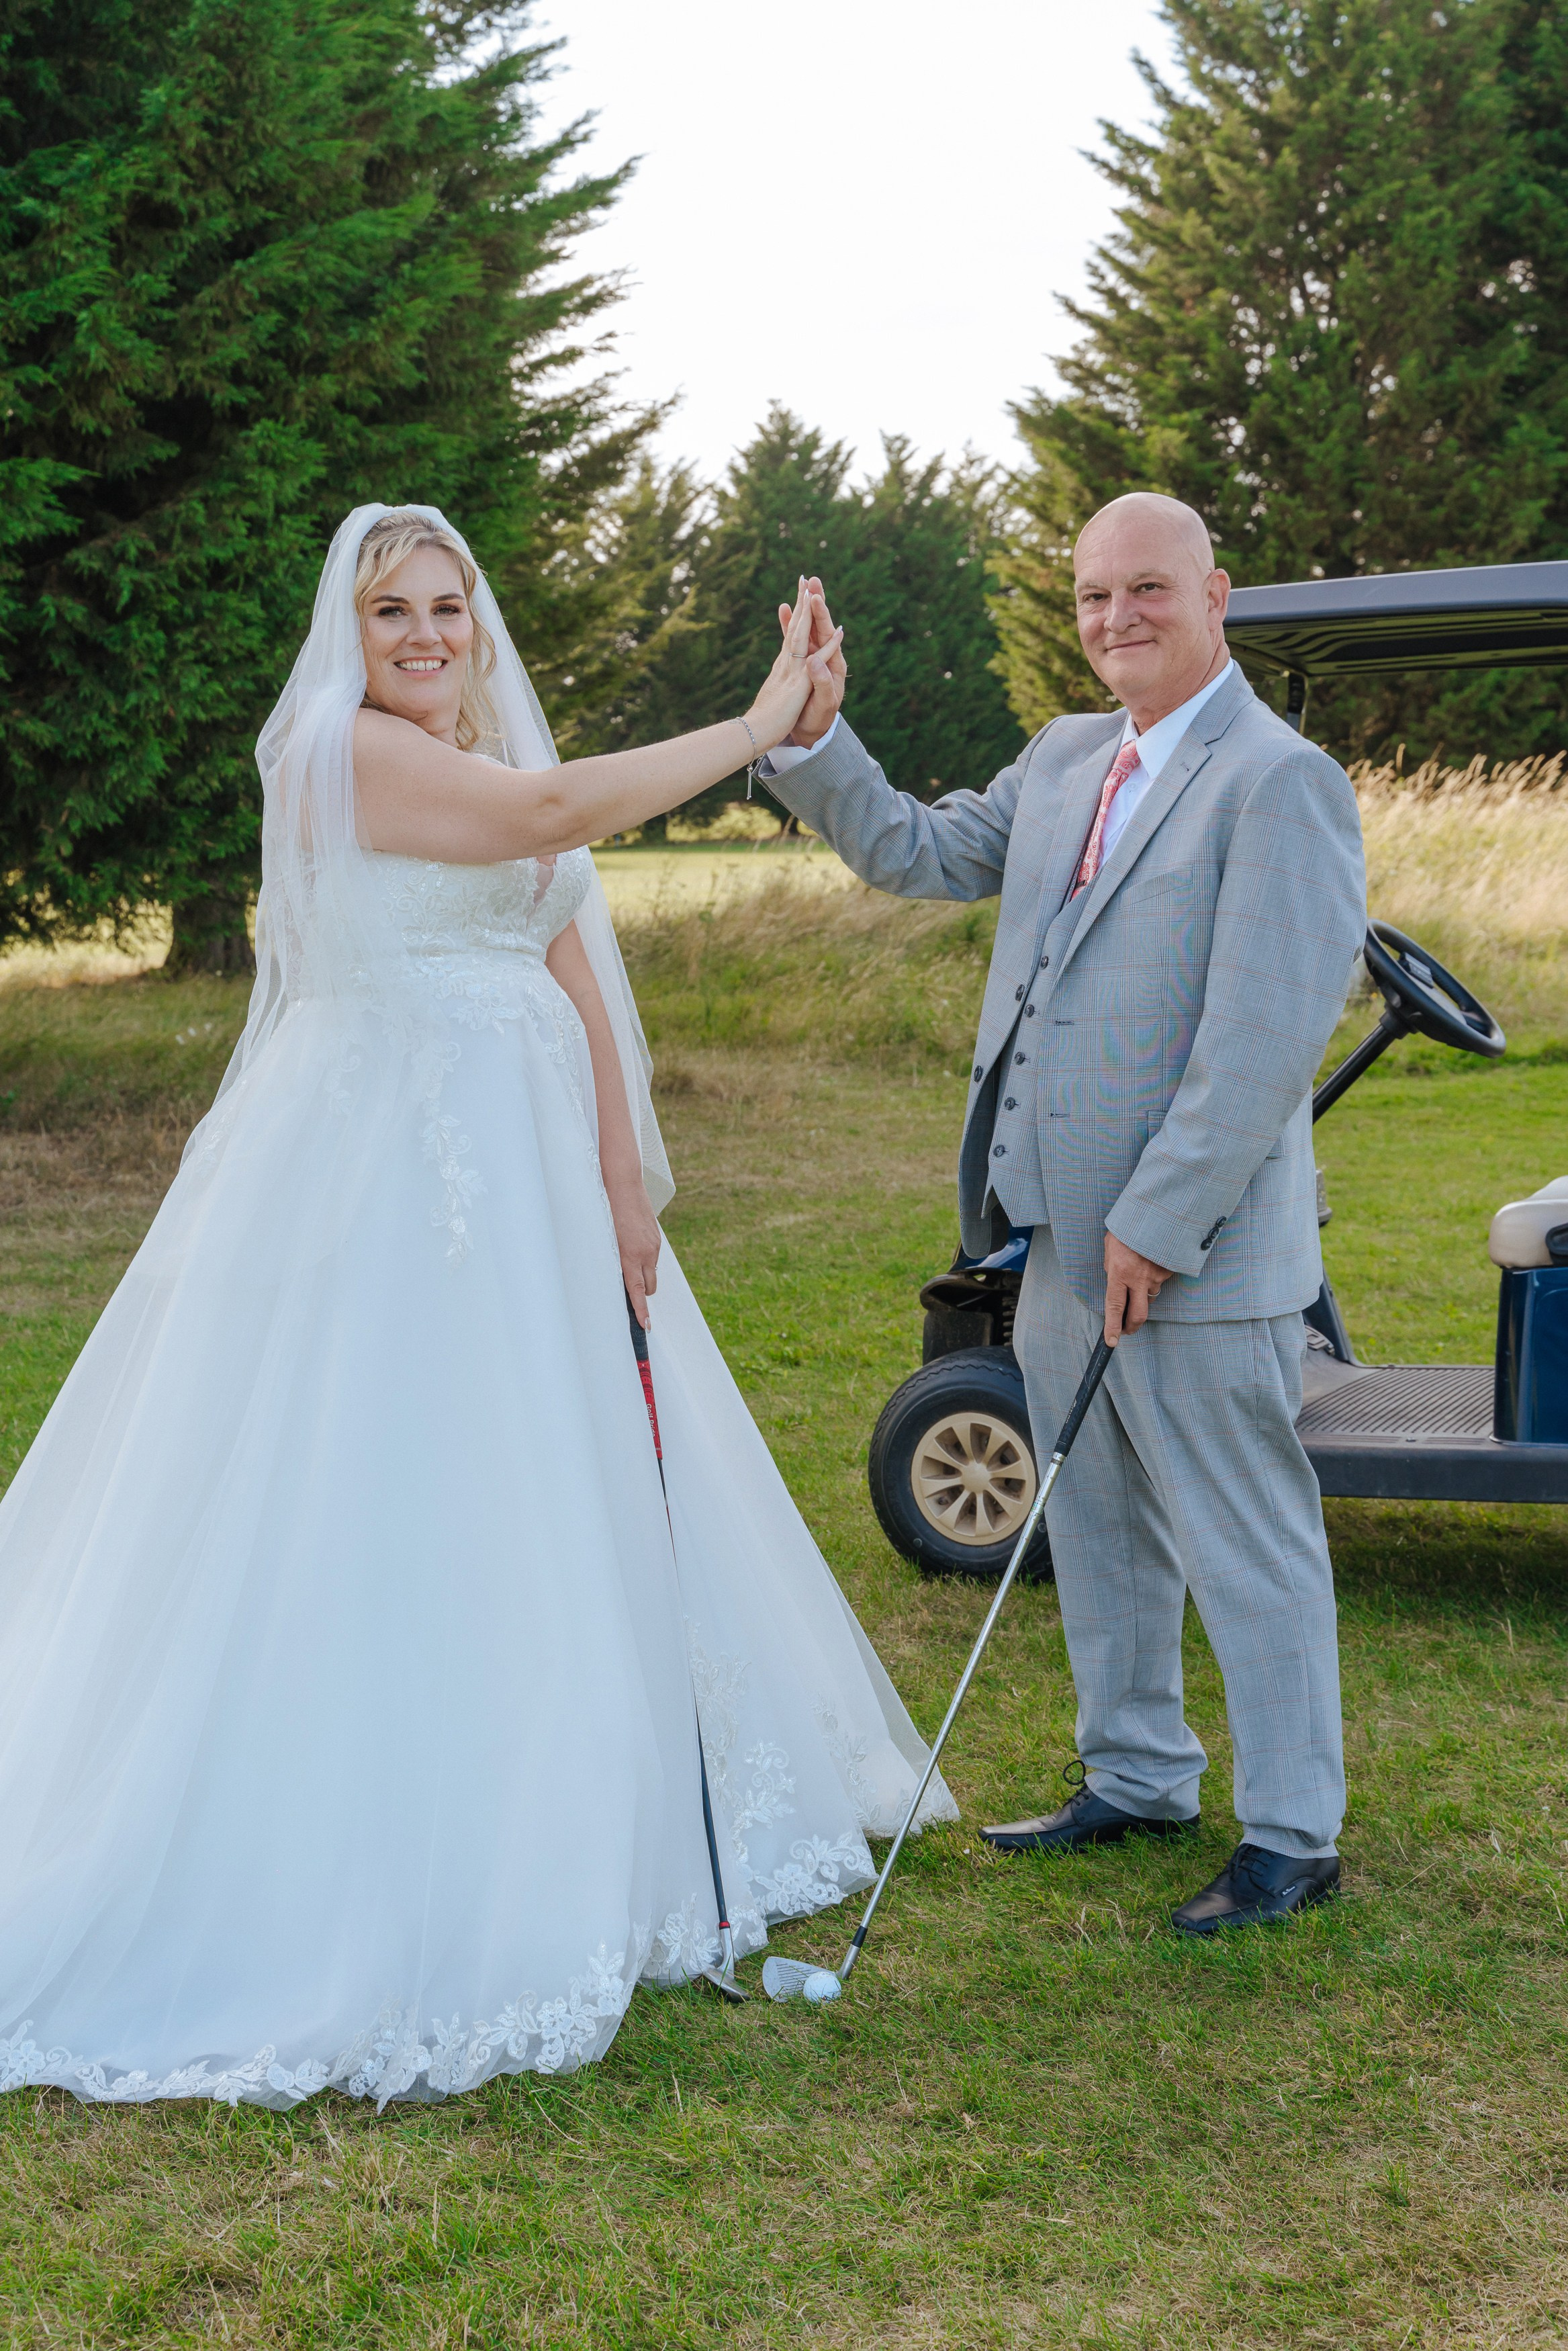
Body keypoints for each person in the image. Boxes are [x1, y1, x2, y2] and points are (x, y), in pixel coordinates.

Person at [0, 504, 954, 2111]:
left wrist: (622, 1175)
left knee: (557, 1473)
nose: (429, 635)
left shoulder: (481, 746)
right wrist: (754, 726)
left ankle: (609, 1777)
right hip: (388, 1176)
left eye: (450, 607)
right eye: (395, 613)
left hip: (536, 1171)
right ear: (350, 634)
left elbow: (565, 940)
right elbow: (557, 814)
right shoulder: (340, 751)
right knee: (389, 1476)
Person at [757, 494, 1366, 1935]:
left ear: (1216, 593)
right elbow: (912, 850)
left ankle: (1294, 1836)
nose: (1115, 617)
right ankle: (1138, 1775)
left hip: (1190, 1253)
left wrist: (1158, 1221)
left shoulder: (1279, 781)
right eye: (1094, 594)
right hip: (1050, 1243)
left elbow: (1262, 1038)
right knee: (1095, 1524)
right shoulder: (1064, 756)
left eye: (1146, 588)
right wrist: (814, 735)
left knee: (1247, 1542)